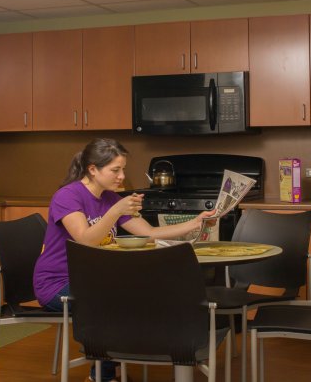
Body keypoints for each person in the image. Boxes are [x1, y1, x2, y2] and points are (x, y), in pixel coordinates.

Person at [33, 138, 215, 382]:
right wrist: (116, 211)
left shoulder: (109, 198)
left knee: (139, 293)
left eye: (123, 169)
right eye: (115, 170)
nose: (121, 176)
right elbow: (85, 240)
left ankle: (130, 361)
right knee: (115, 301)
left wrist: (195, 222)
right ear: (93, 169)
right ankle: (102, 375)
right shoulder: (67, 196)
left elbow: (148, 233)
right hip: (57, 284)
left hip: (94, 283)